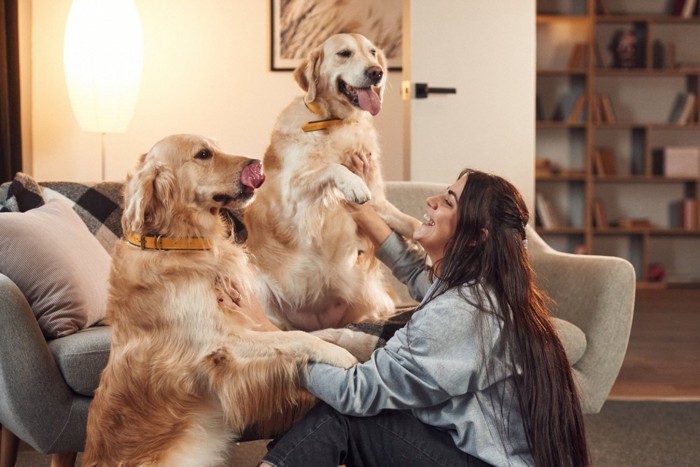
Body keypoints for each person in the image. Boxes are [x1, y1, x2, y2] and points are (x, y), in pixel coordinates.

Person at [259, 168, 590, 467]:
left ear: (476, 237)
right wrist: (363, 211)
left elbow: (356, 393)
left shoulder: (464, 312)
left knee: (343, 415)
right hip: (477, 453)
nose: (430, 202)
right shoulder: (482, 287)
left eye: (447, 202)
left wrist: (269, 337)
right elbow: (417, 272)